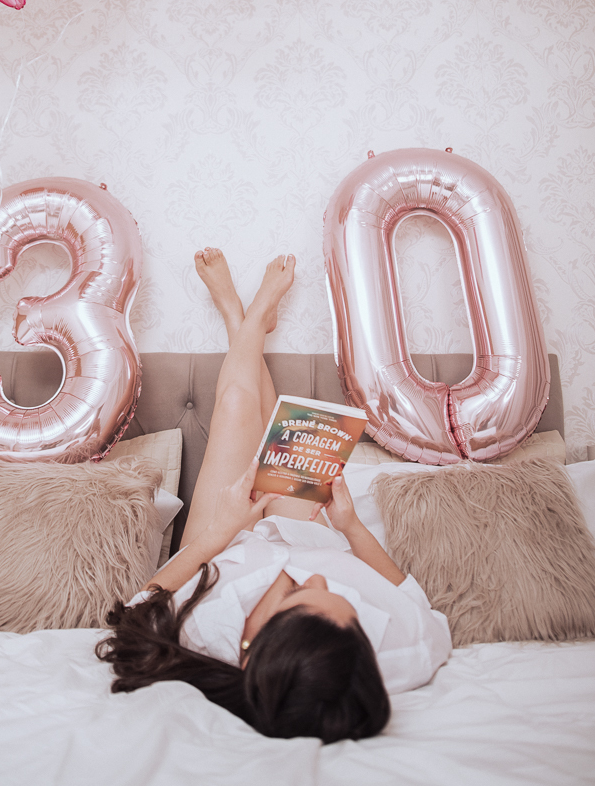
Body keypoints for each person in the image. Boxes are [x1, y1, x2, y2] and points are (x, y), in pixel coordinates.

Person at [96, 250, 452, 743]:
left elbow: (140, 606)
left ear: (250, 646)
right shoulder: (394, 657)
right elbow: (413, 599)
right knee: (277, 432)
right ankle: (250, 324)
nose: (322, 583)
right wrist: (350, 528)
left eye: (301, 595)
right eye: (346, 607)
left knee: (239, 405)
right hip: (311, 534)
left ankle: (239, 317)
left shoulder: (207, 639)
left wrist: (223, 527)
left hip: (224, 544)